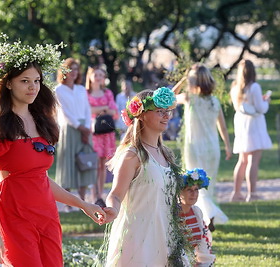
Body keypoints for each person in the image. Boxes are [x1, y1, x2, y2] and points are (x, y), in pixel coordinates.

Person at [0, 37, 105, 266]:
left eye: (37, 81)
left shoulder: (42, 120)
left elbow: (41, 179)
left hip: (46, 212)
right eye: (25, 81)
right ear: (8, 83)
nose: (33, 87)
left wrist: (84, 205)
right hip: (14, 212)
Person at [101, 87, 190, 266]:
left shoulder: (166, 154)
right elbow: (116, 194)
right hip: (140, 237)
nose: (166, 115)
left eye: (168, 111)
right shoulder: (133, 155)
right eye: (159, 111)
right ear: (141, 114)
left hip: (166, 233)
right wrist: (113, 209)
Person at [173, 63, 231, 228]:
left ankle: (207, 215)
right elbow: (223, 127)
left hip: (195, 147)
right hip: (213, 149)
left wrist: (182, 79)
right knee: (207, 185)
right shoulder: (215, 101)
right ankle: (206, 217)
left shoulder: (190, 98)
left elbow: (169, 98)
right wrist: (227, 146)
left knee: (193, 184)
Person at [55, 58, 96, 208]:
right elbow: (65, 112)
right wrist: (79, 127)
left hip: (85, 127)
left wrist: (87, 126)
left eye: (76, 69)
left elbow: (86, 108)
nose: (74, 72)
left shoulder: (80, 89)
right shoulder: (58, 90)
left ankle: (83, 199)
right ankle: (68, 203)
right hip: (70, 128)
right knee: (69, 164)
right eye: (70, 69)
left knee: (85, 162)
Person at [230, 59, 272, 202]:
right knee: (253, 160)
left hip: (241, 124)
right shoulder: (254, 87)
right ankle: (252, 193)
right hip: (253, 125)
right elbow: (260, 108)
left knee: (242, 160)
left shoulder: (235, 87)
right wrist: (266, 101)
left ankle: (236, 193)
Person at [85, 66, 118, 207]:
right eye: (96, 74)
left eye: (101, 75)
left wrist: (101, 110)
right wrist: (103, 109)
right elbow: (86, 109)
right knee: (93, 164)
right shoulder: (86, 93)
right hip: (93, 132)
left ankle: (100, 194)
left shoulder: (107, 92)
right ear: (90, 76)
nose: (98, 77)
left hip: (106, 132)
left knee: (102, 165)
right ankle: (93, 195)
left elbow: (114, 111)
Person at [180, 168, 216, 267]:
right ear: (180, 192)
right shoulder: (173, 214)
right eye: (189, 190)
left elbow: (203, 241)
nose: (194, 194)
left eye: (196, 190)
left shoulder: (196, 212)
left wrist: (202, 260)